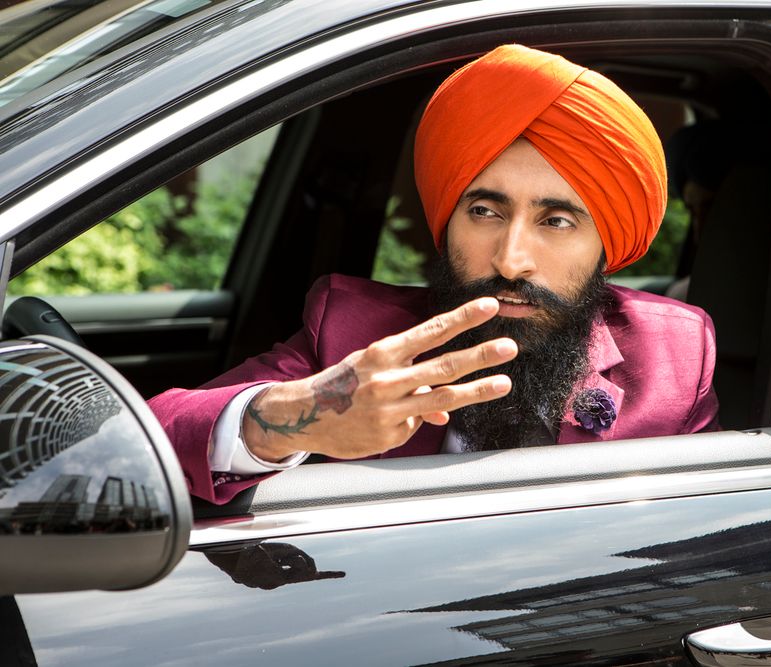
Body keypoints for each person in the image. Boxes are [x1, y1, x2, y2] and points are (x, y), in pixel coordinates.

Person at [149, 44, 720, 505]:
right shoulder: (355, 334)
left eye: (557, 221)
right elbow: (151, 437)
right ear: (447, 221)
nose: (511, 260)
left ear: (605, 249)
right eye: (485, 211)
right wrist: (301, 417)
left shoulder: (673, 358)